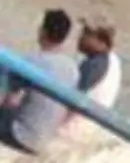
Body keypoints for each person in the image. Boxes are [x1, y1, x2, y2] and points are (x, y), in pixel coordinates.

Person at [0, 9, 79, 153]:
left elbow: (7, 98)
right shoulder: (73, 69)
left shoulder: (32, 62)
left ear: (42, 31)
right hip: (44, 141)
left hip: (20, 136)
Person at [76, 20, 123, 110]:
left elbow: (73, 96)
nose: (81, 37)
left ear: (101, 41)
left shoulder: (94, 64)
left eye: (87, 32)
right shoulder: (114, 60)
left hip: (80, 119)